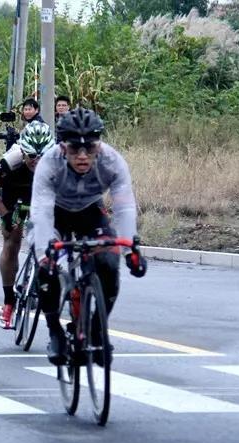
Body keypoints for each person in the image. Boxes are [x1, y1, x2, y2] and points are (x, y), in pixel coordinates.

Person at [30, 108, 147, 365]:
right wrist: (44, 254)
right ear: (62, 147)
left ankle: (96, 327)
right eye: (74, 149)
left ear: (99, 144)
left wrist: (130, 251)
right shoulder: (49, 163)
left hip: (91, 214)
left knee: (108, 263)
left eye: (90, 148)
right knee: (47, 272)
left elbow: (124, 206)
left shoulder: (112, 161)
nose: (82, 156)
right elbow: (41, 211)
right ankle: (56, 333)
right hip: (56, 216)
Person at [0, 122, 55, 329]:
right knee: (12, 239)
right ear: (23, 150)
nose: (37, 161)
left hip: (44, 197)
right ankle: (8, 302)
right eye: (32, 156)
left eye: (42, 156)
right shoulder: (9, 162)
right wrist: (5, 215)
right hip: (17, 200)